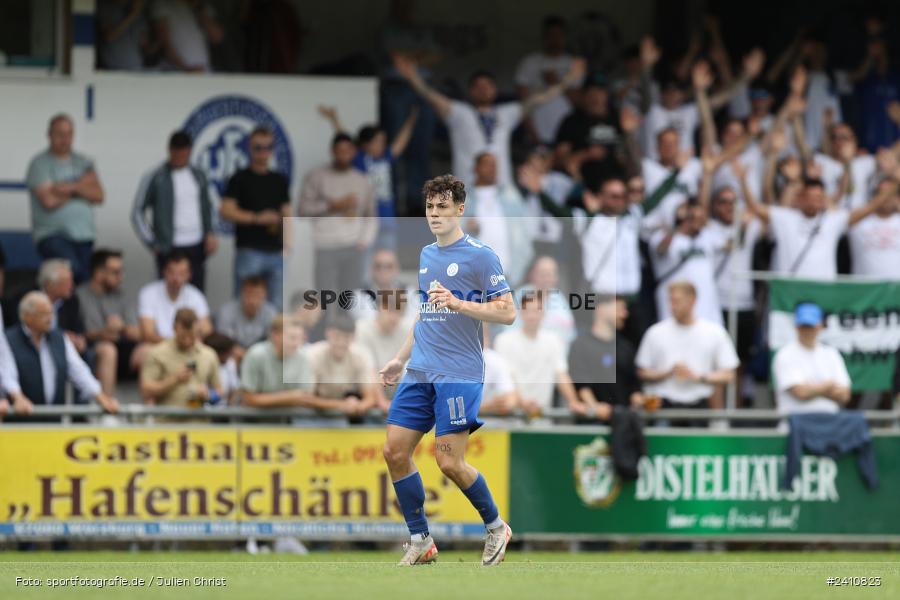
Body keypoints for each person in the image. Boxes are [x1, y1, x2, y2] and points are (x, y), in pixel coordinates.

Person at [378, 174, 516, 566]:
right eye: (429, 207)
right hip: (420, 370)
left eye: (442, 206)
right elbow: (426, 313)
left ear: (460, 209)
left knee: (449, 461)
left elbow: (507, 312)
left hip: (459, 372)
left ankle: (495, 527)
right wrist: (400, 358)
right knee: (394, 450)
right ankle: (420, 539)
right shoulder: (426, 255)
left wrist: (460, 304)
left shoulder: (481, 255)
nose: (435, 214)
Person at [392, 52, 586, 187]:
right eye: (479, 86)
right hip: (466, 192)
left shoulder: (506, 113)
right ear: (470, 91)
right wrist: (412, 76)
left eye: (489, 85)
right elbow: (430, 95)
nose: (484, 89)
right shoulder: (459, 113)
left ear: (496, 90)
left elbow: (539, 99)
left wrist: (568, 80)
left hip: (502, 190)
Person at [635, 281, 739, 425]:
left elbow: (729, 374)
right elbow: (642, 372)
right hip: (663, 408)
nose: (672, 306)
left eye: (677, 301)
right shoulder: (655, 332)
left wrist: (697, 377)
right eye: (670, 301)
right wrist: (667, 373)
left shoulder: (714, 332)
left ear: (692, 301)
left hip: (700, 409)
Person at [317, 104, 419, 250]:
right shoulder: (360, 159)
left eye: (384, 142)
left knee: (386, 260)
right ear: (365, 144)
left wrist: (411, 121)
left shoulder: (385, 158)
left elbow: (400, 143)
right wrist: (334, 119)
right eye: (378, 142)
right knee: (365, 265)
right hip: (365, 223)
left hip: (387, 222)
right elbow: (346, 141)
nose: (382, 145)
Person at [743, 177, 889, 279]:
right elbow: (755, 207)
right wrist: (742, 180)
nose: (814, 202)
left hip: (822, 291)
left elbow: (870, 208)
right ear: (800, 198)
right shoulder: (785, 218)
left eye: (818, 198)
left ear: (824, 200)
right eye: (810, 197)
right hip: (789, 292)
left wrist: (894, 184)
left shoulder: (833, 220)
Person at [5, 292, 118, 419]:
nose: (50, 318)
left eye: (51, 313)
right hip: (19, 423)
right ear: (27, 317)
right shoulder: (8, 340)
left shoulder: (60, 338)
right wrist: (18, 397)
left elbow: (79, 370)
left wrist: (100, 396)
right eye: (44, 314)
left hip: (53, 422)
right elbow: (7, 374)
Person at [132, 130, 217, 291]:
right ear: (170, 150)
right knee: (168, 292)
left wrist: (210, 232)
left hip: (196, 245)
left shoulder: (199, 175)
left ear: (190, 151)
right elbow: (137, 211)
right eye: (176, 154)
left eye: (183, 154)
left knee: (196, 292)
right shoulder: (156, 176)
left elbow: (208, 206)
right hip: (169, 246)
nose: (179, 158)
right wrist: (152, 241)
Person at [26, 114, 105, 284]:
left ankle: (75, 310)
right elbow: (48, 201)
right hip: (52, 235)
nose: (65, 139)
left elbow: (99, 195)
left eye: (69, 134)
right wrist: (81, 186)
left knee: (85, 280)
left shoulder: (83, 161)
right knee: (71, 271)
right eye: (60, 134)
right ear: (49, 135)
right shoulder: (39, 164)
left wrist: (68, 187)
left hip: (84, 235)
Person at [220, 126, 293, 309]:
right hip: (249, 250)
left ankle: (273, 338)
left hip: (275, 251)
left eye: (267, 147)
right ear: (249, 148)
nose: (263, 152)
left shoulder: (279, 180)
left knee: (275, 304)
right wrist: (256, 218)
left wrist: (288, 246)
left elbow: (287, 213)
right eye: (258, 147)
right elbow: (226, 211)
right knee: (244, 303)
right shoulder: (239, 178)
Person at [297, 133, 377, 301]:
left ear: (353, 152)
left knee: (349, 299)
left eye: (347, 151)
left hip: (353, 246)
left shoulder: (362, 180)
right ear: (332, 152)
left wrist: (365, 239)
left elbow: (371, 216)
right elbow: (303, 209)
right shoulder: (317, 176)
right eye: (339, 151)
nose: (344, 155)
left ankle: (346, 327)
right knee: (324, 298)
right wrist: (332, 205)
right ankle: (325, 327)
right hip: (326, 246)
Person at [494, 292, 588, 419]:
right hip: (510, 418)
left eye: (536, 311)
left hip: (543, 417)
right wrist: (522, 402)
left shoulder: (553, 340)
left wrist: (573, 401)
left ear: (543, 314)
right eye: (527, 310)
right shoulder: (503, 340)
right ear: (521, 313)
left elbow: (561, 374)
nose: (532, 315)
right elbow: (505, 378)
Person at [76, 249, 151, 394]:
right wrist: (106, 331)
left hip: (123, 347)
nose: (121, 277)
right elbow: (87, 334)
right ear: (98, 274)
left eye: (122, 271)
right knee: (108, 349)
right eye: (116, 272)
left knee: (148, 350)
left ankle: (147, 411)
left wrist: (122, 328)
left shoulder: (122, 295)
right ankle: (106, 409)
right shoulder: (80, 296)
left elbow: (137, 333)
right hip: (92, 351)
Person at [241, 314, 349, 411]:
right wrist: (291, 396)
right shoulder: (256, 355)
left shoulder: (302, 356)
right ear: (275, 336)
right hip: (253, 424)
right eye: (292, 338)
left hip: (290, 423)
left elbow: (304, 397)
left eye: (300, 338)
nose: (296, 343)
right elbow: (249, 399)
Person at [462, 153, 534, 286]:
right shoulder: (463, 198)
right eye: (487, 164)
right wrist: (465, 226)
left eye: (494, 165)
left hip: (508, 276)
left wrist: (523, 263)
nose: (492, 169)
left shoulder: (510, 195)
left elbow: (526, 230)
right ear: (475, 168)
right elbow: (449, 231)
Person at [772, 302, 850, 422]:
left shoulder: (831, 354)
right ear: (796, 326)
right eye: (804, 326)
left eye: (811, 326)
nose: (807, 330)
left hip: (830, 425)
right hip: (795, 427)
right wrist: (828, 385)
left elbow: (845, 395)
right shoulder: (785, 354)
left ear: (820, 326)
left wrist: (812, 389)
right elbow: (801, 393)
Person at [569, 296, 641, 414]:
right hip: (592, 424)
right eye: (620, 308)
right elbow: (581, 385)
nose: (624, 314)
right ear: (601, 309)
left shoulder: (626, 347)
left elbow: (634, 385)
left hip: (624, 423)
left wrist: (638, 399)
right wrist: (595, 408)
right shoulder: (580, 345)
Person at [515, 16, 581, 145]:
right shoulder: (530, 62)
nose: (555, 39)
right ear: (544, 37)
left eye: (559, 35)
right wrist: (532, 135)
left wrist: (558, 82)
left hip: (567, 136)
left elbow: (579, 102)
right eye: (551, 35)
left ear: (565, 37)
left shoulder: (573, 64)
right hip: (537, 134)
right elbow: (523, 104)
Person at [140, 307, 221, 409]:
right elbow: (146, 390)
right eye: (183, 336)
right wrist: (175, 379)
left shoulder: (209, 354)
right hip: (168, 422)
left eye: (191, 336)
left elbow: (219, 391)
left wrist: (209, 395)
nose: (187, 341)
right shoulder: (158, 353)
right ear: (174, 328)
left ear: (197, 330)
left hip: (199, 422)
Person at [306, 315, 379, 422]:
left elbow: (370, 396)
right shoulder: (313, 354)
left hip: (344, 415)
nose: (341, 343)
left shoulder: (361, 355)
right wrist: (340, 404)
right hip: (312, 414)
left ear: (354, 337)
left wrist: (359, 407)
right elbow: (306, 397)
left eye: (346, 337)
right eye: (337, 336)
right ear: (328, 334)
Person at [137, 250, 212, 344]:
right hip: (159, 346)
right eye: (172, 272)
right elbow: (147, 334)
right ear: (164, 271)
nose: (176, 278)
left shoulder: (196, 295)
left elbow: (207, 332)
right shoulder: (148, 293)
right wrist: (178, 344)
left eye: (181, 273)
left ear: (189, 275)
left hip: (189, 347)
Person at [354, 290, 414, 406]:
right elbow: (368, 369)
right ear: (380, 308)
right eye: (390, 311)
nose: (394, 318)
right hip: (369, 392)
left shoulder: (407, 328)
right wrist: (382, 402)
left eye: (399, 312)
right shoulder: (362, 328)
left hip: (399, 391)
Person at [848, 177, 900, 278]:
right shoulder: (858, 221)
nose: (886, 198)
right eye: (882, 194)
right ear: (874, 197)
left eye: (891, 194)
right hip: (866, 290)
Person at [151, 0, 223, 72]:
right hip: (178, 72)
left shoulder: (202, 5)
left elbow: (217, 37)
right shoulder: (162, 2)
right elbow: (165, 44)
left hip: (204, 71)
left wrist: (199, 8)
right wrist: (186, 69)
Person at [216, 275, 278, 355]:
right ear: (241, 293)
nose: (252, 300)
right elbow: (224, 342)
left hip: (260, 355)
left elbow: (274, 341)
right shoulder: (226, 311)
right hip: (233, 354)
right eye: (249, 294)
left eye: (257, 295)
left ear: (265, 295)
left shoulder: (271, 313)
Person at [97, 0, 150, 70]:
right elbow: (110, 36)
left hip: (136, 67)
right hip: (113, 69)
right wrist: (133, 14)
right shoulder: (105, 6)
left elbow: (144, 45)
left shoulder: (138, 13)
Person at [203, 332, 239, 405]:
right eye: (227, 353)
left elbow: (234, 390)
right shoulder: (204, 363)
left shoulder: (230, 363)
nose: (229, 356)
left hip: (224, 411)